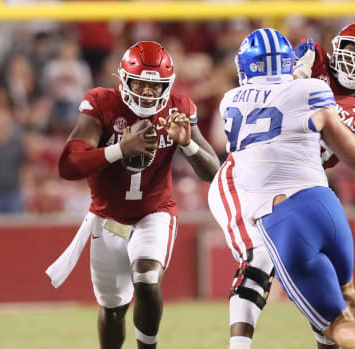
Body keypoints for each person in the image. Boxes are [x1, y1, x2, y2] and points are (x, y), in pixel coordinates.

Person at [208, 22, 355, 349]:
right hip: (278, 187)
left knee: (334, 310)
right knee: (260, 258)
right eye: (353, 51)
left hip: (289, 195)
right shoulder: (312, 64)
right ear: (335, 47)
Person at [47, 41, 220, 349]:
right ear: (124, 80)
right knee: (113, 310)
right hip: (106, 218)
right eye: (140, 82)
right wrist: (118, 150)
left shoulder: (179, 108)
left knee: (147, 277)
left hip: (154, 212)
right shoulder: (101, 103)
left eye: (155, 86)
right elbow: (68, 165)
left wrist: (187, 144)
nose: (147, 92)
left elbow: (212, 172)